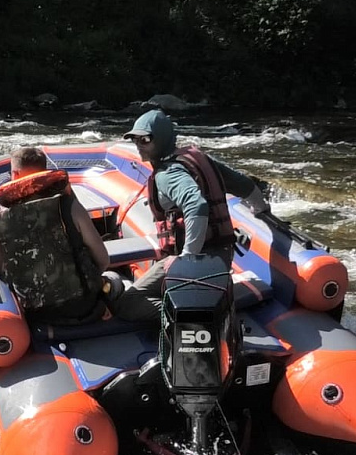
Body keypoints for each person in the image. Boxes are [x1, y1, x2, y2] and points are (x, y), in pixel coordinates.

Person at [110, 110, 272, 321]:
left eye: (145, 139)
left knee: (128, 303)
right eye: (135, 139)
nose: (139, 144)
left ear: (162, 140)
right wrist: (261, 210)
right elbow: (243, 185)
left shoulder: (168, 174)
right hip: (222, 257)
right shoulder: (197, 158)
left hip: (196, 262)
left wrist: (186, 258)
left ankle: (186, 318)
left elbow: (196, 206)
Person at [0, 146, 114, 324]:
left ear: (14, 174)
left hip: (35, 314)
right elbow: (103, 260)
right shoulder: (69, 205)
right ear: (45, 172)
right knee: (115, 280)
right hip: (84, 306)